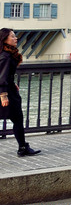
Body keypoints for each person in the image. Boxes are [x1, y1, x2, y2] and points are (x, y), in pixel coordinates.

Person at [0, 28, 41, 157]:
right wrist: (4, 95)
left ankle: (23, 147)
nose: (15, 38)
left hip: (8, 89)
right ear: (5, 39)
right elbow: (2, 77)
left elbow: (5, 75)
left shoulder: (5, 53)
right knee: (18, 119)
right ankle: (22, 148)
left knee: (16, 119)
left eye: (15, 36)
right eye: (12, 36)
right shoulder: (6, 56)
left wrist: (12, 83)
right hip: (6, 93)